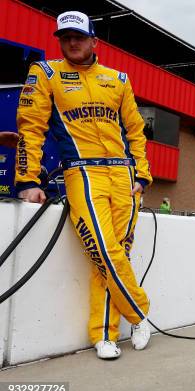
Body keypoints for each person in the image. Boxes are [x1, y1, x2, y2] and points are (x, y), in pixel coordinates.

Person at [15, 11, 152, 360]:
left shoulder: (118, 79)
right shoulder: (46, 73)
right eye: (65, 37)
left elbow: (135, 131)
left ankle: (104, 333)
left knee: (110, 255)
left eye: (78, 36)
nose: (72, 42)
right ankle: (139, 314)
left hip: (124, 177)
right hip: (82, 172)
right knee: (104, 249)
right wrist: (28, 180)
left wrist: (142, 175)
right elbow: (30, 128)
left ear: (94, 41)